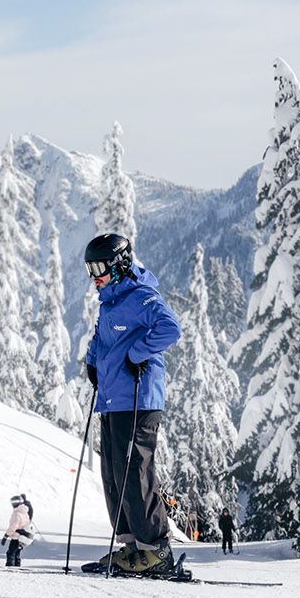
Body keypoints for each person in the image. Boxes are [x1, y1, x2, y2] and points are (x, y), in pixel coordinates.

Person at [80, 233, 181, 575]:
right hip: (113, 399)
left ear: (120, 264)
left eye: (100, 267)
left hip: (139, 398)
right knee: (113, 471)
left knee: (134, 470)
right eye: (89, 268)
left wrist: (138, 353)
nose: (95, 275)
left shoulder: (141, 296)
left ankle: (156, 549)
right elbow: (102, 339)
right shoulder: (110, 301)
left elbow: (170, 328)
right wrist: (92, 361)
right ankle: (132, 546)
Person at [1, 493, 35, 567]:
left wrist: (6, 536)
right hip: (23, 538)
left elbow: (14, 526)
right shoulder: (25, 512)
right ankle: (17, 565)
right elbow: (29, 520)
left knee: (10, 552)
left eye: (13, 503)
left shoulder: (17, 513)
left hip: (16, 537)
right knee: (17, 553)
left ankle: (10, 565)